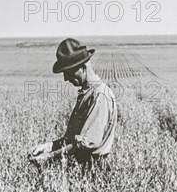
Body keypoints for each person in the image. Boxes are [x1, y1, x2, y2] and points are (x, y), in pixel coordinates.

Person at [29, 38, 117, 169]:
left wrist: (49, 157)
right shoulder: (88, 93)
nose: (65, 78)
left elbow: (86, 144)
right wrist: (48, 147)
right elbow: (72, 140)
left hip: (93, 173)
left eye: (68, 72)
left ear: (82, 67)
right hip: (82, 171)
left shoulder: (99, 95)